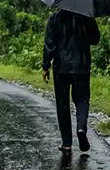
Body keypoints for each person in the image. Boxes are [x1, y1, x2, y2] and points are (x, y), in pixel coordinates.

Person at [42, 8, 100, 153]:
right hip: (82, 65)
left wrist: (45, 65)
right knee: (82, 99)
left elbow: (50, 44)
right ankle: (81, 128)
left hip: (61, 67)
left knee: (62, 103)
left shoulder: (55, 18)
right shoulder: (86, 16)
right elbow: (95, 39)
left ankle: (66, 143)